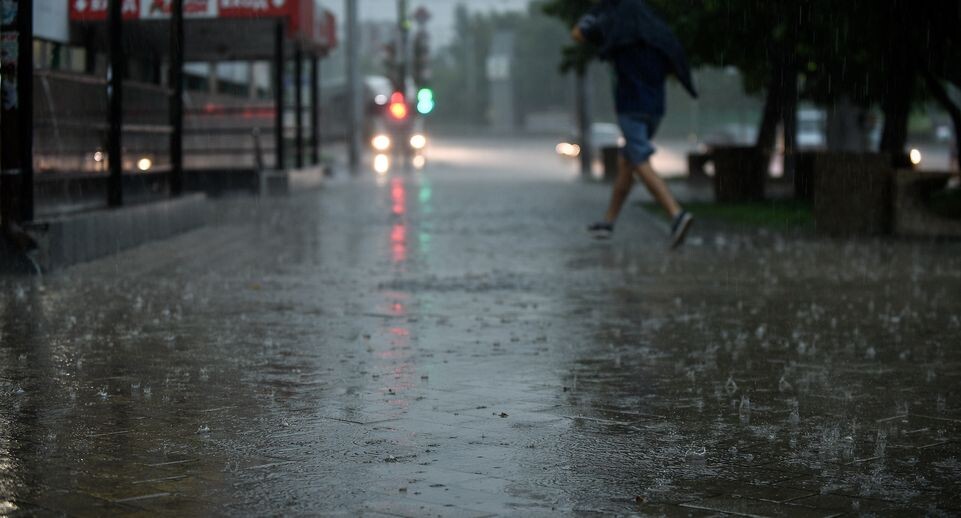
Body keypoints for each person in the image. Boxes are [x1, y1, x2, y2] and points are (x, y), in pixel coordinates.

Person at [573, 0, 696, 248]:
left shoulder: (615, 20)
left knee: (639, 162)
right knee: (627, 163)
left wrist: (594, 14)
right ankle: (608, 223)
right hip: (656, 109)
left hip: (631, 107)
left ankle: (676, 214)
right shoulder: (653, 28)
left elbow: (578, 34)